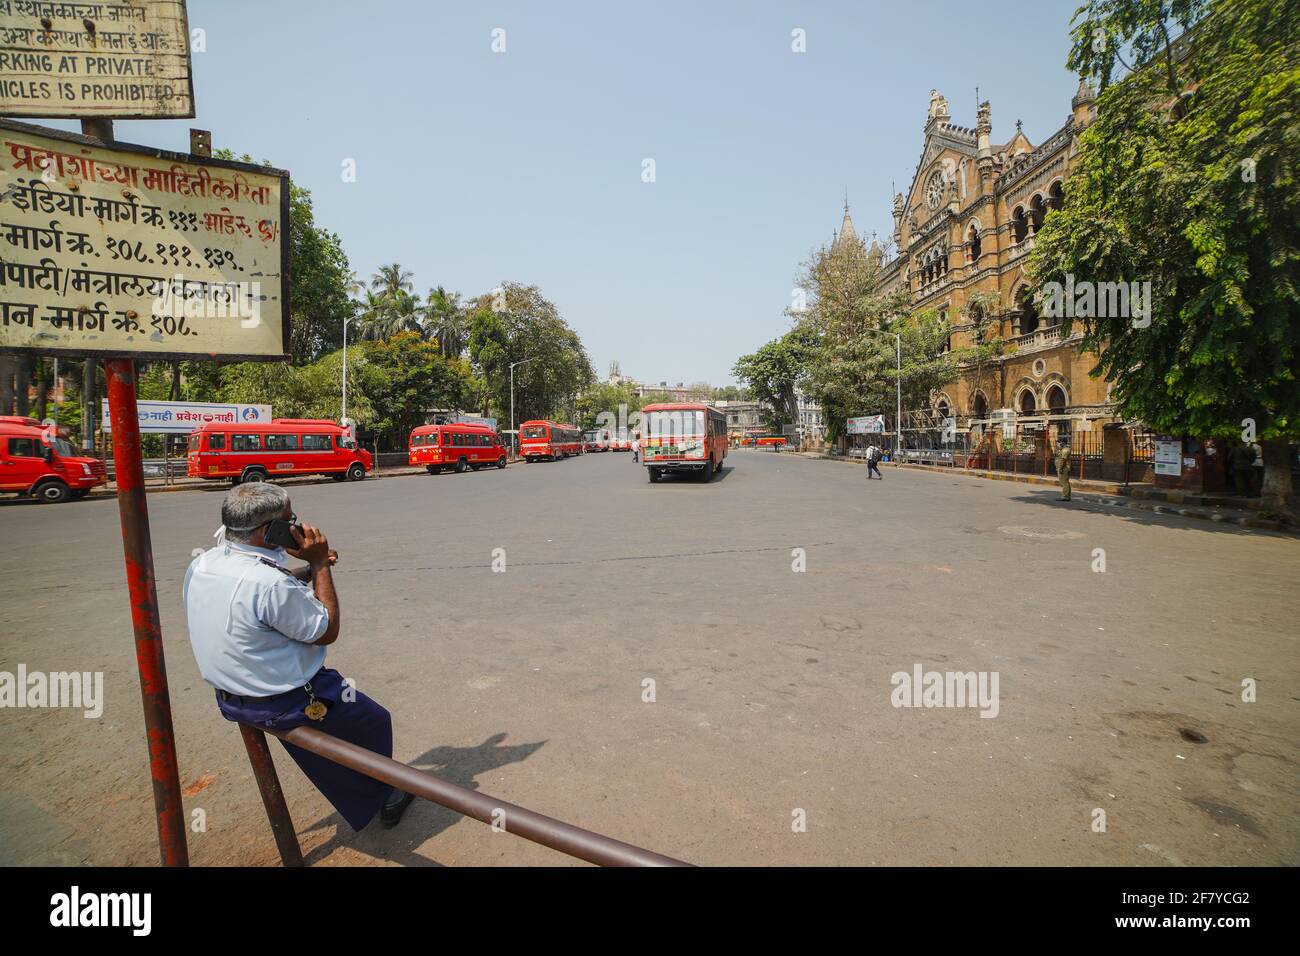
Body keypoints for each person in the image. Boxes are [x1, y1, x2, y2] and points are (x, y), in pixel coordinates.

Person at [182, 483, 414, 832]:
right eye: (290, 521)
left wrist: (304, 573)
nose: (297, 526)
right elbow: (326, 629)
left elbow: (259, 591)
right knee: (374, 721)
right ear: (268, 531)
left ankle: (364, 786)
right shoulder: (268, 584)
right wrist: (319, 565)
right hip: (283, 702)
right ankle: (383, 794)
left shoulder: (205, 562)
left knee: (346, 730)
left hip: (231, 698)